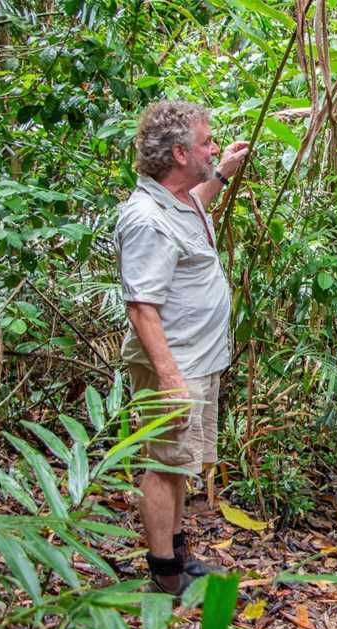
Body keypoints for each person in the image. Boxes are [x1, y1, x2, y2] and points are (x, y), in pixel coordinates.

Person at [115, 100, 248, 595]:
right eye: (207, 142)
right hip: (175, 364)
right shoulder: (146, 218)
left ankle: (178, 553)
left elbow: (197, 206)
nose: (213, 146)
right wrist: (170, 380)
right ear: (178, 152)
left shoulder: (181, 200)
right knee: (164, 464)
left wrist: (223, 173)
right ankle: (164, 575)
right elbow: (141, 307)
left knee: (179, 463)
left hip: (197, 358)